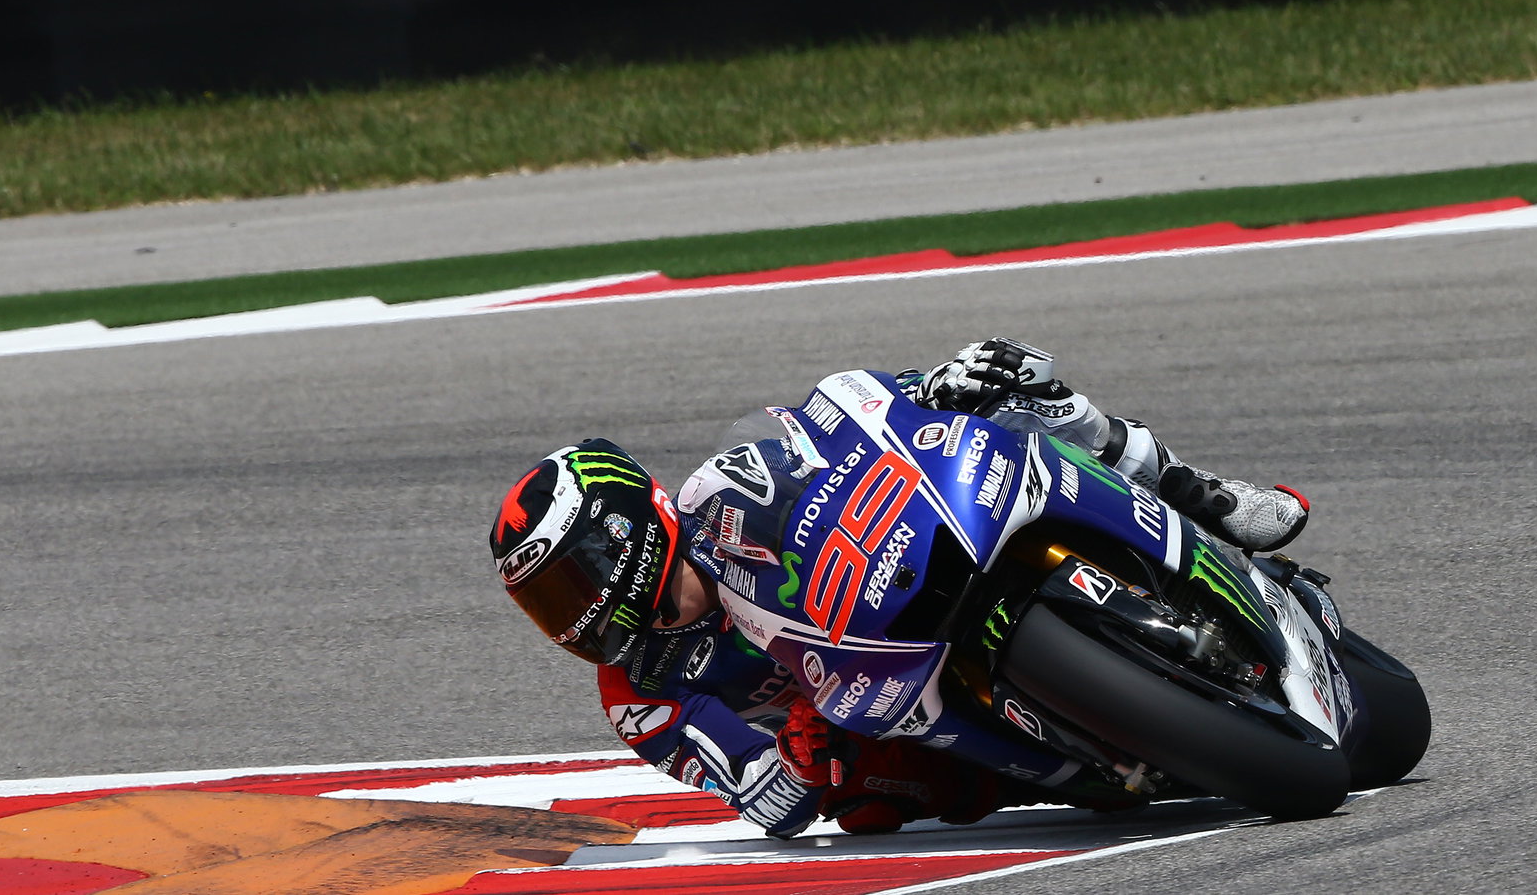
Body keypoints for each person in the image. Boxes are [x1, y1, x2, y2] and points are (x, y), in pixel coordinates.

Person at [487, 338, 1310, 838]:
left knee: (1019, 396)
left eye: (570, 582)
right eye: (546, 605)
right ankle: (1073, 766)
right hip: (881, 708)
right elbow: (762, 799)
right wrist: (788, 760)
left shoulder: (720, 492)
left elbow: (836, 421)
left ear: (622, 530)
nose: (573, 613)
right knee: (857, 795)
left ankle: (1205, 498)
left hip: (898, 578)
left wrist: (932, 387)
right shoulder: (639, 692)